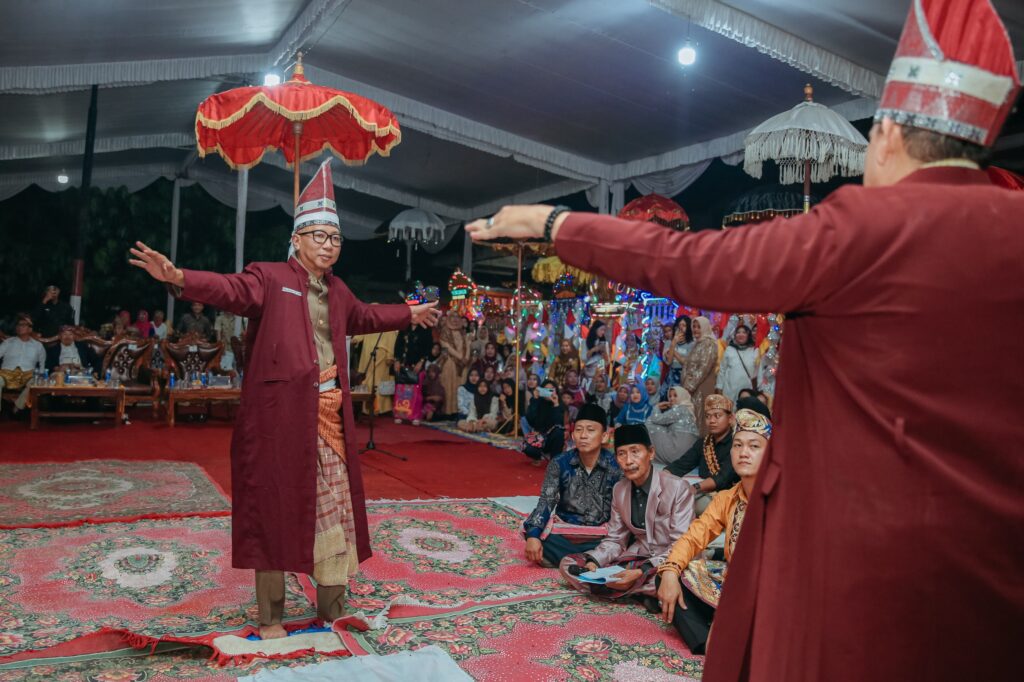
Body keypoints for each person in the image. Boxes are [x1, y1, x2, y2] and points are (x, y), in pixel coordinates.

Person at [466, 4, 1024, 675]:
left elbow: (693, 263)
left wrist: (558, 224)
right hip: (993, 558)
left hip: (855, 549)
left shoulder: (865, 228)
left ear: (887, 137)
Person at [129, 160, 440, 639]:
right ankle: (271, 617)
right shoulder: (270, 277)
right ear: (297, 240)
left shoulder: (338, 290)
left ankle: (332, 611)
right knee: (273, 510)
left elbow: (366, 316)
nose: (328, 245)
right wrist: (180, 277)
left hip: (331, 418)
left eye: (334, 238)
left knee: (335, 510)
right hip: (281, 420)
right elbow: (230, 289)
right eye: (318, 236)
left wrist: (409, 313)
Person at [655, 409, 772, 655]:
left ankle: (734, 635)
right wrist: (670, 571)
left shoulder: (781, 499)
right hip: (732, 585)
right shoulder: (727, 498)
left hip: (769, 595)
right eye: (738, 445)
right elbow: (694, 537)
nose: (744, 452)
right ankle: (708, 642)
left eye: (754, 446)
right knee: (669, 575)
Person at [559, 423, 694, 602]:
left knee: (679, 580)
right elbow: (616, 539)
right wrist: (595, 562)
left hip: (671, 560)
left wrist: (641, 572)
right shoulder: (619, 490)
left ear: (651, 453)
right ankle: (640, 593)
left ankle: (630, 589)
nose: (628, 461)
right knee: (568, 564)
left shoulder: (678, 487)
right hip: (638, 556)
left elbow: (680, 545)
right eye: (621, 454)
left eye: (635, 452)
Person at [522, 403, 621, 566]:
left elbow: (623, 512)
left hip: (601, 536)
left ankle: (574, 558)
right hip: (565, 534)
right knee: (533, 532)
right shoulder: (559, 463)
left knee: (624, 542)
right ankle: (590, 559)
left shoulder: (616, 467)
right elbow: (546, 501)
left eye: (590, 430)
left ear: (604, 436)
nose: (583, 435)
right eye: (579, 430)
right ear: (573, 435)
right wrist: (533, 536)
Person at [666, 394, 737, 514]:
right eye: (708, 416)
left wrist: (694, 488)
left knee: (694, 505)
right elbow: (682, 464)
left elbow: (723, 478)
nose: (712, 421)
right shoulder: (704, 443)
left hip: (729, 495)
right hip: (705, 491)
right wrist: (662, 477)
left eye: (717, 416)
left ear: (730, 418)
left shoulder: (737, 443)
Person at [0, 316, 46, 412]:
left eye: (23, 325)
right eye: (18, 325)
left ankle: (18, 406)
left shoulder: (38, 346)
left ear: (30, 329)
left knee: (35, 382)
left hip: (28, 374)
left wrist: (41, 375)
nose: (19, 327)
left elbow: (42, 364)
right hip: (6, 373)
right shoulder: (8, 342)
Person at [646, 385, 701, 466]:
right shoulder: (688, 411)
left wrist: (657, 407)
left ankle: (650, 455)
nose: (671, 399)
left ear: (682, 396)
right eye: (670, 396)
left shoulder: (680, 409)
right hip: (687, 456)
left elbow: (656, 419)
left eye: (675, 396)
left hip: (676, 453)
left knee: (650, 423)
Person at [681, 316, 718, 427]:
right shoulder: (697, 343)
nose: (695, 329)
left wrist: (690, 386)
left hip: (701, 386)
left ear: (705, 327)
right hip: (692, 387)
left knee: (700, 415)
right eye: (694, 326)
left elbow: (704, 367)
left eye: (699, 327)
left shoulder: (709, 344)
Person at [716, 324, 759, 405]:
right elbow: (722, 370)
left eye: (744, 332)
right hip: (729, 390)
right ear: (735, 335)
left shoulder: (754, 350)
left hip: (747, 391)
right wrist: (719, 387)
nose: (741, 334)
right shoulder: (729, 349)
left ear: (748, 335)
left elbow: (757, 372)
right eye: (738, 332)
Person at [438, 312, 471, 416]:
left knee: (460, 386)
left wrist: (466, 358)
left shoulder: (463, 332)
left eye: (457, 317)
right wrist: (460, 357)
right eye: (453, 317)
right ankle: (448, 411)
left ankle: (459, 411)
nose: (455, 319)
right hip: (450, 362)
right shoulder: (445, 331)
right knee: (449, 386)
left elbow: (468, 345)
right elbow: (446, 347)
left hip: (463, 364)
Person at [662, 315, 694, 388]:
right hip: (671, 378)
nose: (681, 328)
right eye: (679, 325)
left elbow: (686, 363)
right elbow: (669, 362)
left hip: (685, 378)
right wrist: (673, 343)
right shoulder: (668, 343)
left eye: (684, 325)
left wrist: (673, 352)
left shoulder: (692, 344)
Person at [582, 321, 610, 388]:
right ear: (595, 329)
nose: (603, 332)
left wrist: (604, 352)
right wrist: (593, 350)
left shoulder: (604, 343)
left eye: (604, 330)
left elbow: (607, 362)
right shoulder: (585, 342)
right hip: (589, 373)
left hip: (600, 372)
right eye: (601, 330)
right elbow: (584, 358)